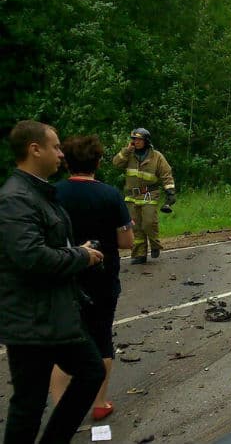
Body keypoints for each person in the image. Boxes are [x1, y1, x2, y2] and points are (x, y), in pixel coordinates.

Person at [0, 120, 105, 444]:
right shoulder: (16, 199)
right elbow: (31, 257)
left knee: (90, 371)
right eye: (56, 147)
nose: (62, 154)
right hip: (31, 322)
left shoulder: (39, 192)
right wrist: (80, 257)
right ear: (35, 149)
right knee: (28, 405)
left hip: (52, 316)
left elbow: (47, 245)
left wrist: (75, 251)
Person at [50, 135, 133, 422]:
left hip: (63, 276)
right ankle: (99, 403)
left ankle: (63, 407)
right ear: (97, 161)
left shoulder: (52, 193)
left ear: (66, 162)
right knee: (101, 338)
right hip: (102, 276)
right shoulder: (110, 195)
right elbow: (126, 240)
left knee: (65, 341)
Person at [112, 128, 175, 264]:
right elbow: (116, 163)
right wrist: (126, 150)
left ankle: (155, 245)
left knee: (148, 222)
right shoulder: (129, 154)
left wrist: (170, 192)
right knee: (135, 227)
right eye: (134, 139)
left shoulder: (156, 156)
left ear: (146, 141)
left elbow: (166, 174)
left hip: (149, 194)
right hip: (131, 196)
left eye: (139, 139)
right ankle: (139, 254)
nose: (136, 142)